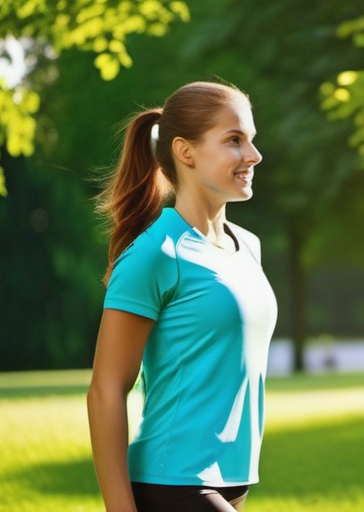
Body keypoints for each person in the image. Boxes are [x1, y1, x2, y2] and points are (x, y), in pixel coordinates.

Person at [86, 81, 277, 512]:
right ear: (185, 152)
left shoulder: (248, 245)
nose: (253, 155)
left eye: (251, 139)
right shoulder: (155, 254)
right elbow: (106, 389)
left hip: (234, 477)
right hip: (173, 480)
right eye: (234, 140)